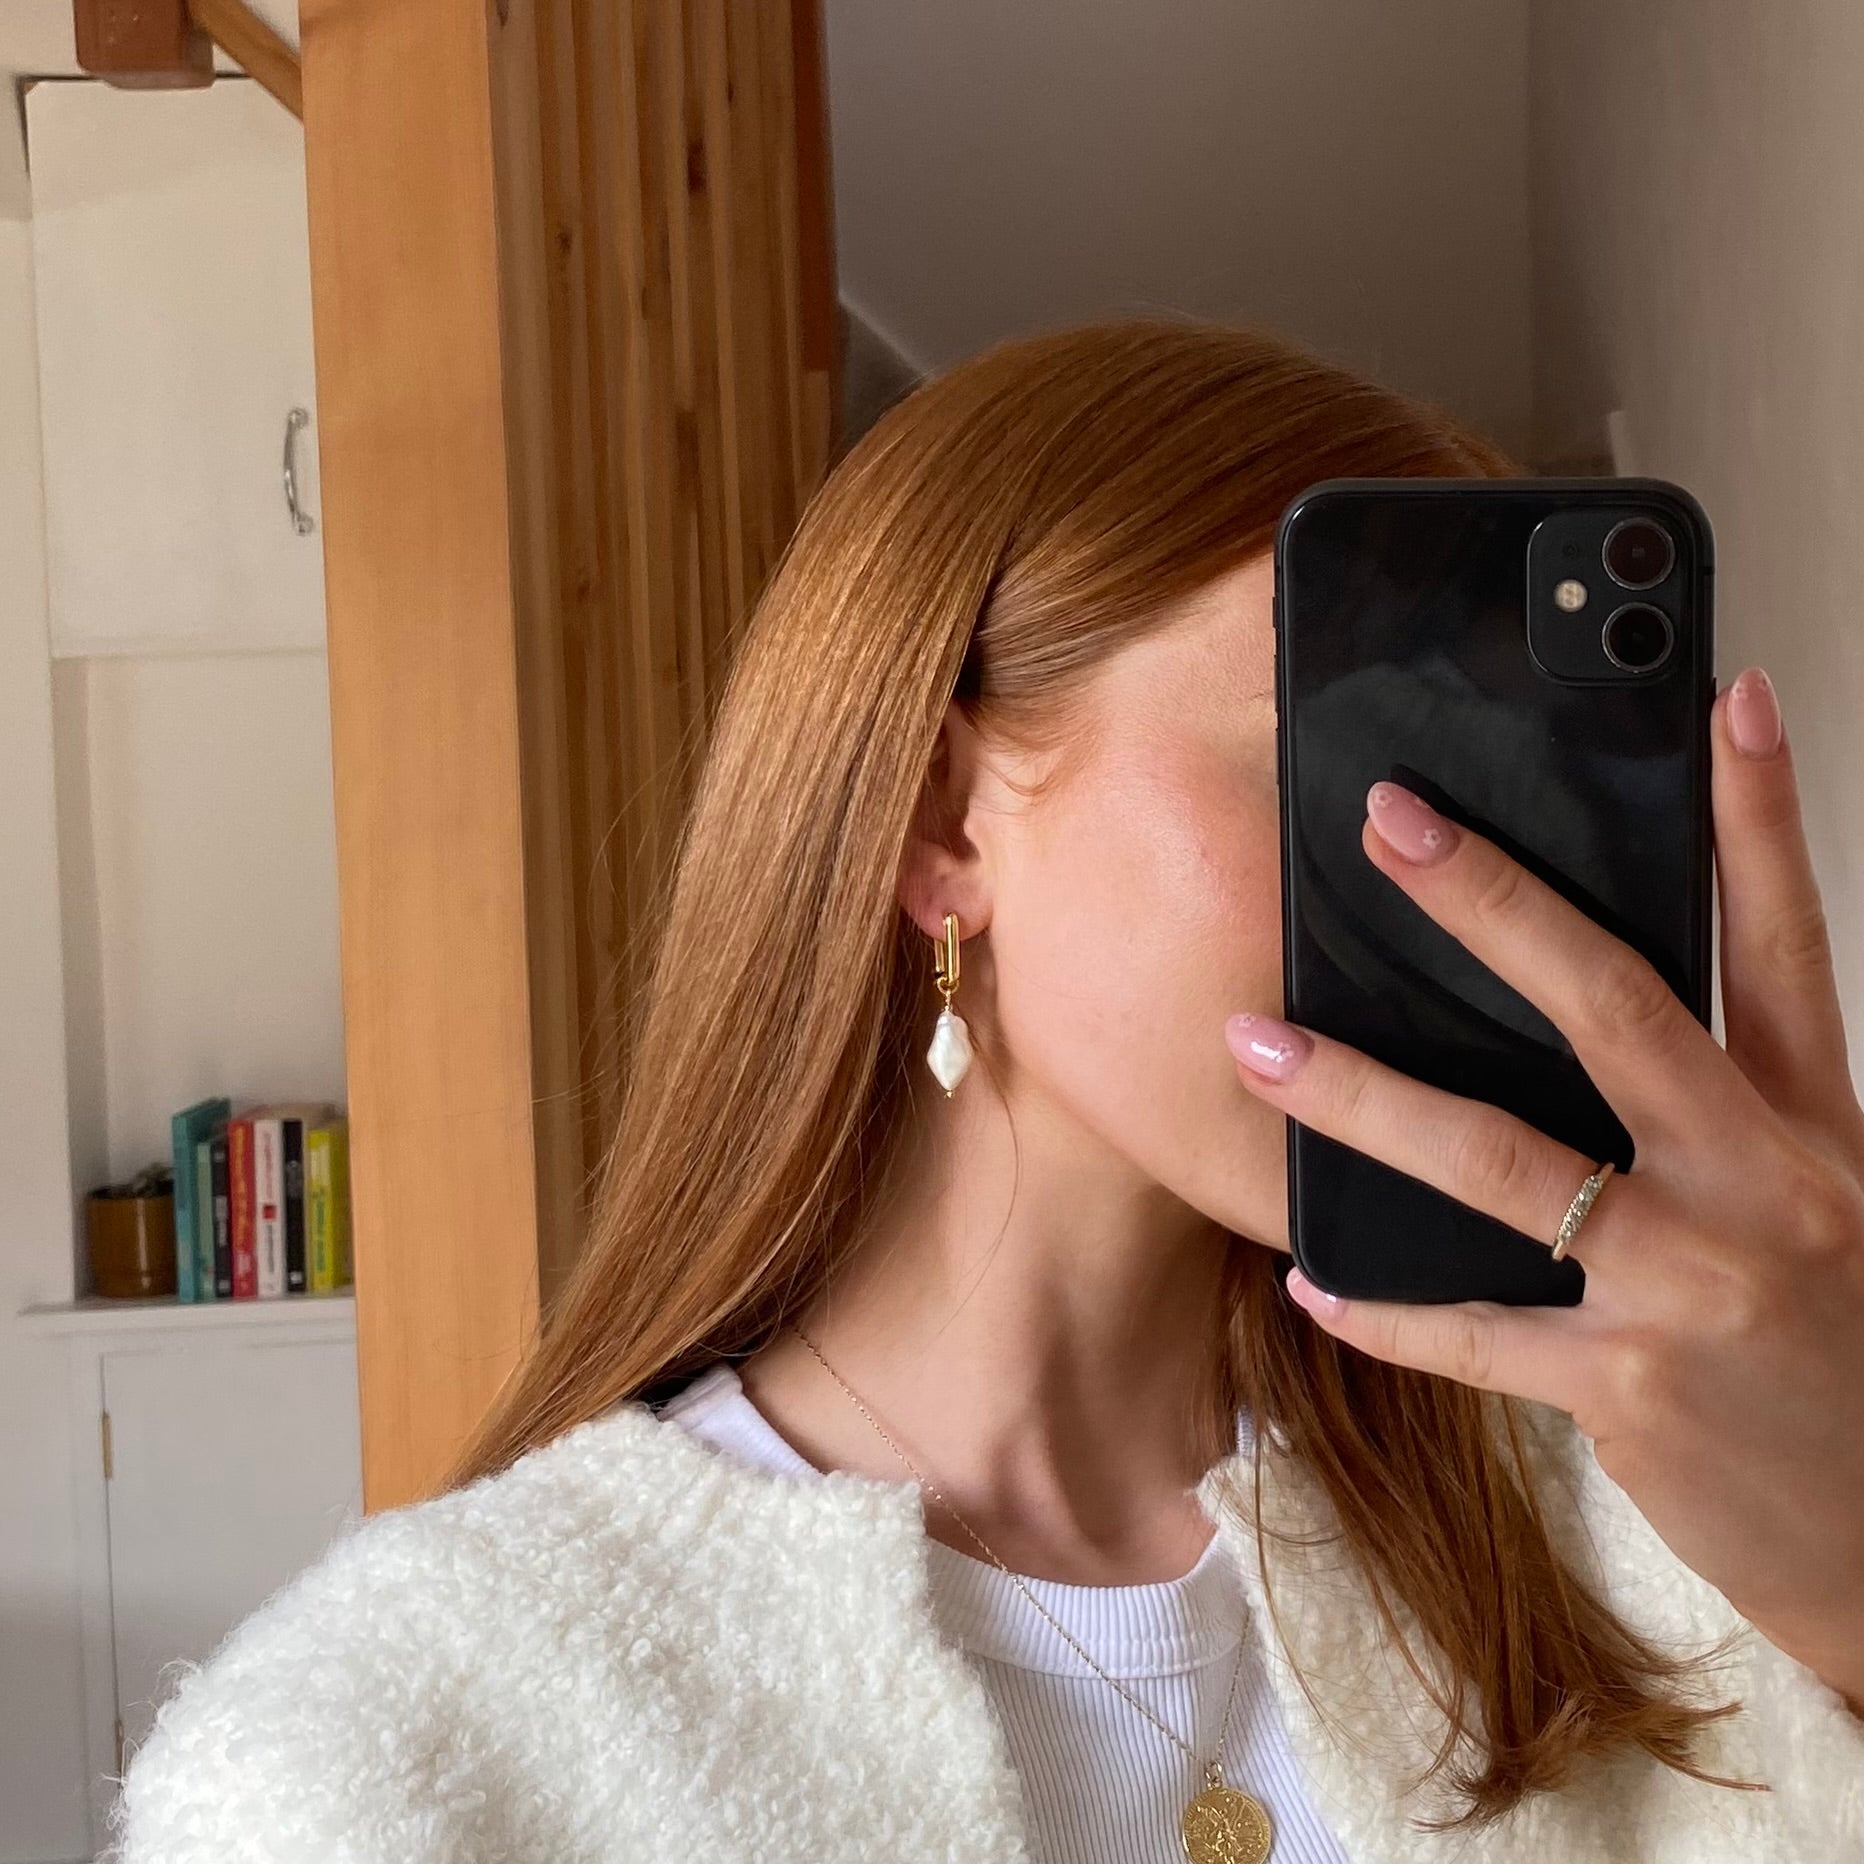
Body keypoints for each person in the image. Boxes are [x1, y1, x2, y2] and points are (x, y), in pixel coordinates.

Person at [109, 319, 1864, 1864]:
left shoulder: (1662, 1540)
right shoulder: (389, 1758)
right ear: (945, 827)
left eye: (1500, 798)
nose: (1456, 900)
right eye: (1347, 762)